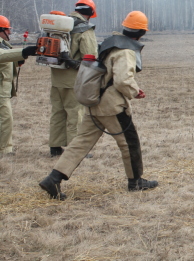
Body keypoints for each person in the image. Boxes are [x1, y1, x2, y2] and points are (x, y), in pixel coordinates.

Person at [39, 11, 158, 200]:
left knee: (80, 143)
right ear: (142, 32)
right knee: (130, 143)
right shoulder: (126, 51)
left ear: (125, 26)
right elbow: (122, 81)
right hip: (112, 106)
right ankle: (136, 182)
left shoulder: (110, 44)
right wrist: (135, 91)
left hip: (94, 102)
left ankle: (53, 178)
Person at [48, 0, 98, 157]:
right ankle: (75, 150)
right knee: (75, 114)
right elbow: (90, 57)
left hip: (56, 79)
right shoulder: (84, 29)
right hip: (73, 81)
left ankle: (55, 147)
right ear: (90, 12)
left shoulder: (60, 25)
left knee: (57, 113)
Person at [0, 15, 39, 155]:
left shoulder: (3, 44)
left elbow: (6, 59)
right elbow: (2, 56)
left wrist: (17, 62)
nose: (9, 33)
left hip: (3, 89)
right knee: (5, 120)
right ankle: (4, 150)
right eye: (7, 30)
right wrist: (23, 52)